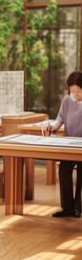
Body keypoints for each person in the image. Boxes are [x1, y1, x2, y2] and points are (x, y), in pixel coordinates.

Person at [46, 71, 82, 218]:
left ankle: (78, 207)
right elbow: (60, 118)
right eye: (72, 91)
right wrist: (53, 127)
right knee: (64, 168)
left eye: (78, 91)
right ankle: (67, 207)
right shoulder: (67, 100)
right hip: (70, 145)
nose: (75, 95)